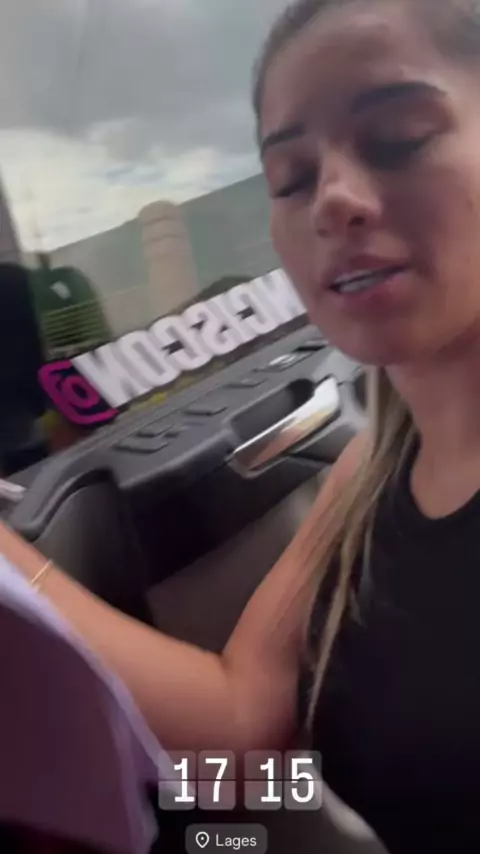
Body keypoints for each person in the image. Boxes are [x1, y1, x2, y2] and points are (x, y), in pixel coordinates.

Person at [4, 0, 480, 849]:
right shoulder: (369, 471)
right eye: (290, 178)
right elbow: (241, 728)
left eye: (398, 138)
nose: (331, 200)